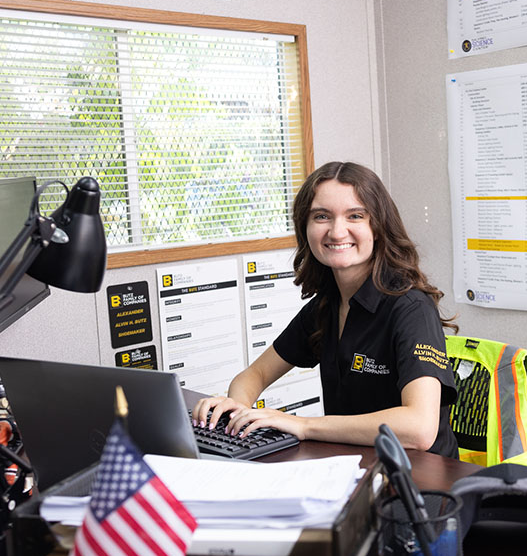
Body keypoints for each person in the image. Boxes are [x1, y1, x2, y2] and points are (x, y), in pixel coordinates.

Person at [192, 161, 459, 457]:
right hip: (351, 466)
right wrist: (238, 407)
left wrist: (303, 425)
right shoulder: (327, 305)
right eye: (322, 216)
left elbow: (419, 428)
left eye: (355, 215)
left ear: (378, 227)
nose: (336, 231)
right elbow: (254, 374)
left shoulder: (411, 309)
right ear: (305, 227)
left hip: (419, 482)